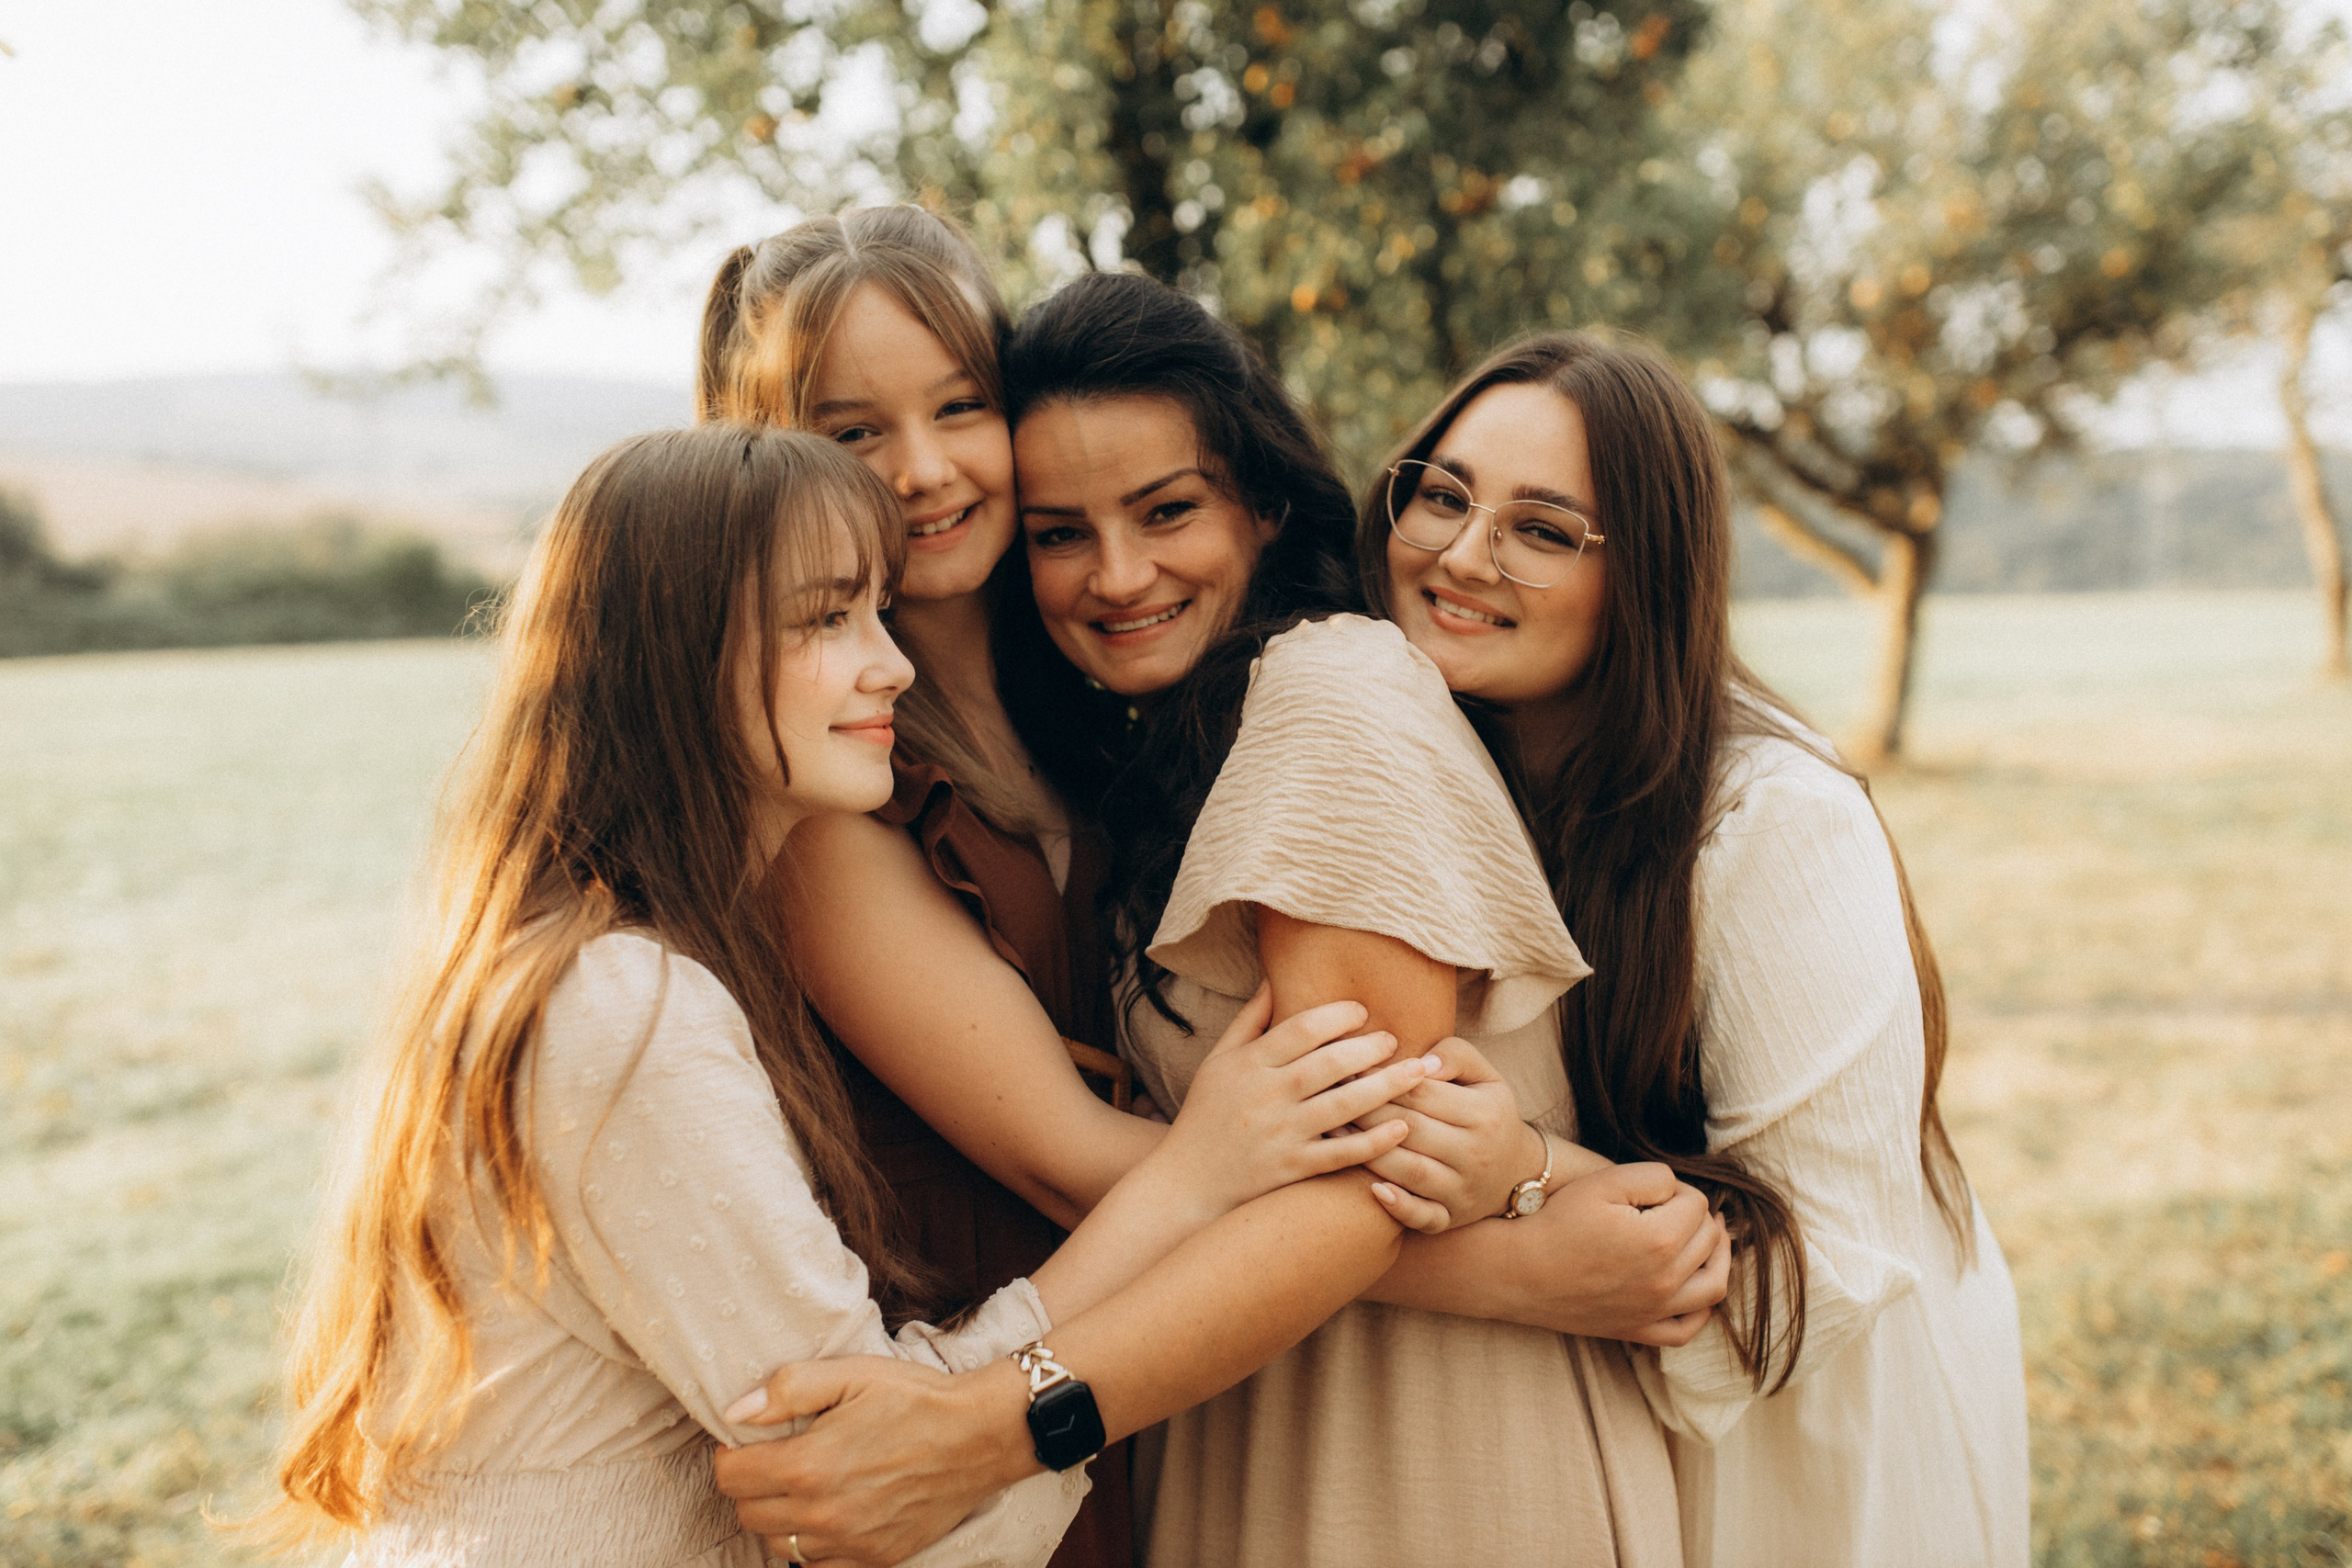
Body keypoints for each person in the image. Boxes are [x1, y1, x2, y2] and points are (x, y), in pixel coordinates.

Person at [257, 424, 1433, 1567]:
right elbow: (881, 1502)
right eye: (825, 619)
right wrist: (1188, 1176)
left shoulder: (613, 954)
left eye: (877, 608)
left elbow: (896, 1450)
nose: (894, 662)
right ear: (671, 657)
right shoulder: (624, 1005)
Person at [718, 274, 1729, 1568]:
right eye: (1061, 531)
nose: (1119, 572)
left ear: (1262, 502)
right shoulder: (1157, 745)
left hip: (1416, 1456)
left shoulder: (1330, 696)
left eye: (1167, 509)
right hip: (1247, 1413)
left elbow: (1371, 1180)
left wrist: (985, 1425)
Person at [1362, 331, 2031, 1568]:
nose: (1461, 552)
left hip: (1798, 1451)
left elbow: (1826, 1260)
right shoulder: (1438, 760)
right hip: (1579, 1426)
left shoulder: (1773, 820)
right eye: (1443, 493)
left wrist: (1529, 1170)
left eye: (1544, 529)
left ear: (1649, 575)